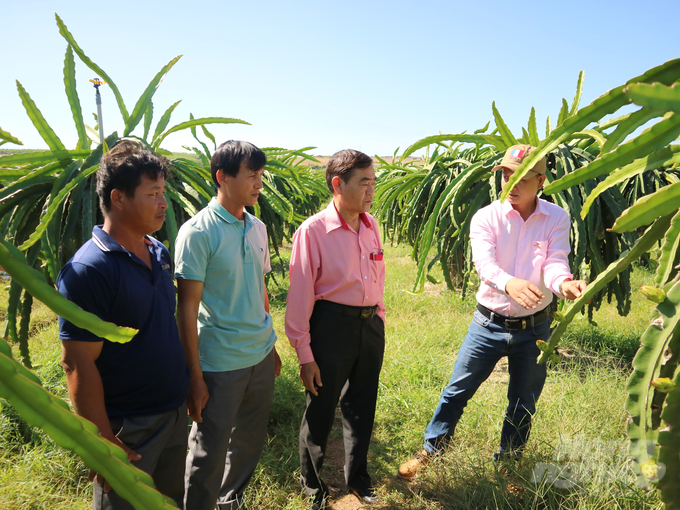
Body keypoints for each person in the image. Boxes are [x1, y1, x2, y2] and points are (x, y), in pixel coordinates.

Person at [398, 144, 588, 479]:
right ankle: (431, 451)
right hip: (488, 323)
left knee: (523, 401)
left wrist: (565, 285)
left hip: (535, 329)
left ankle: (509, 467)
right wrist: (510, 283)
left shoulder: (556, 217)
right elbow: (484, 265)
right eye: (505, 174)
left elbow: (555, 263)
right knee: (457, 390)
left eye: (523, 177)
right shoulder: (486, 217)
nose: (511, 183)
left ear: (541, 180)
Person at [58, 140, 190, 509]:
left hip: (173, 411)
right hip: (128, 427)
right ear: (118, 198)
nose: (164, 203)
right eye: (153, 194)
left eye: (163, 192)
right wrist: (101, 439)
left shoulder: (158, 251)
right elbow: (77, 362)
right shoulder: (89, 270)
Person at [175, 140, 281, 510]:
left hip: (260, 353)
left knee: (249, 440)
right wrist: (195, 375)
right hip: (220, 361)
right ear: (222, 177)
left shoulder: (258, 227)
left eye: (261, 175)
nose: (259, 183)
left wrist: (272, 345)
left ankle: (229, 500)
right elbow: (186, 309)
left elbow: (260, 289)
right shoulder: (197, 233)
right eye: (251, 175)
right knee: (209, 448)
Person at [285, 149, 386, 509]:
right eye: (364, 183)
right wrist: (304, 353)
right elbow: (299, 297)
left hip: (369, 326)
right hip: (330, 327)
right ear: (337, 184)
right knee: (321, 408)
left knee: (362, 406)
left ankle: (358, 479)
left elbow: (378, 277)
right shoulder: (313, 231)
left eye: (373, 182)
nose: (371, 190)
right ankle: (313, 487)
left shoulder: (371, 226)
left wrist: (380, 317)